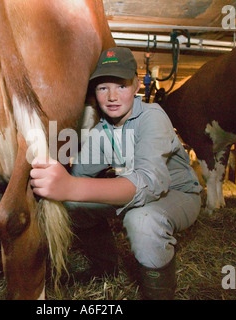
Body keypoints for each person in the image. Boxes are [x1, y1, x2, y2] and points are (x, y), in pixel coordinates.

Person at [30, 47, 202, 300]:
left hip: (176, 195)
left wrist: (70, 186)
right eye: (102, 88)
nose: (111, 96)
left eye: (120, 86)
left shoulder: (153, 116)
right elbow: (81, 175)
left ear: (135, 86)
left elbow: (149, 182)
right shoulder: (103, 131)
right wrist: (64, 182)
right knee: (72, 206)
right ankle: (105, 270)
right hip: (134, 195)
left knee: (141, 220)